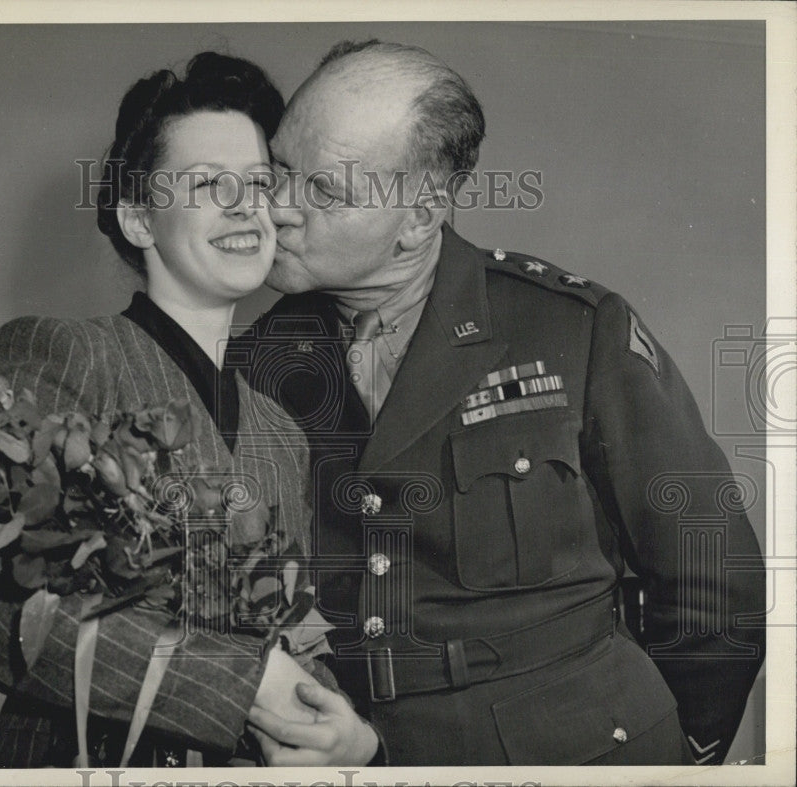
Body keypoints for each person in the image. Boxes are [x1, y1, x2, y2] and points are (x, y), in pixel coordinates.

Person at [237, 40, 766, 766]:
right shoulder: (255, 361)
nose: (278, 209)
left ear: (419, 218)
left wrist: (681, 756)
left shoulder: (572, 330)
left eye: (325, 192)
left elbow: (713, 577)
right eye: (278, 170)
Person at [0, 52, 378, 768]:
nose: (247, 206)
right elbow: (11, 608)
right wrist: (241, 685)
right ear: (138, 218)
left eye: (258, 184)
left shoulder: (280, 432)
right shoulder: (56, 352)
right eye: (209, 184)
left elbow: (290, 634)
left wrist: (351, 737)